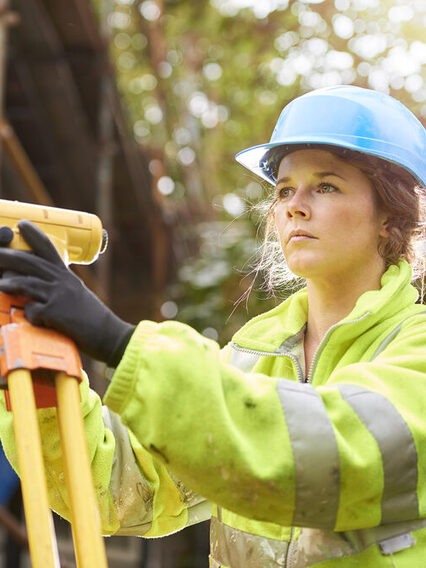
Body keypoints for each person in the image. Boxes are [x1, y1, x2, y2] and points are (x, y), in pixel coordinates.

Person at [0, 84, 425, 568]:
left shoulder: (416, 350)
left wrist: (117, 340)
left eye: (325, 185)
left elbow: (326, 453)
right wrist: (34, 361)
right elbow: (117, 490)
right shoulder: (250, 357)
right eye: (284, 189)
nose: (294, 206)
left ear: (391, 216)